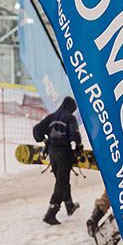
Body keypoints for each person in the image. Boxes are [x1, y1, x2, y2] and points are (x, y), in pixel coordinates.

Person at [33, 96, 82, 225]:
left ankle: (69, 205)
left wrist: (43, 140)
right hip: (64, 153)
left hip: (52, 153)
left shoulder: (51, 117)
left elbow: (36, 130)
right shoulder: (70, 118)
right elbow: (75, 135)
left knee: (61, 180)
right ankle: (51, 212)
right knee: (61, 182)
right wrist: (78, 147)